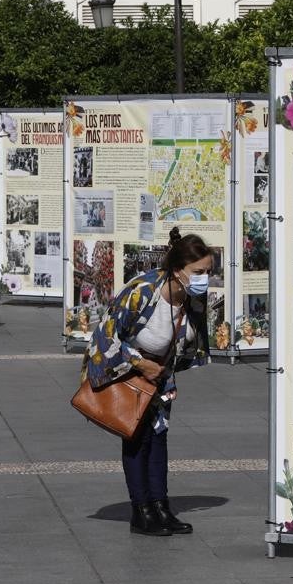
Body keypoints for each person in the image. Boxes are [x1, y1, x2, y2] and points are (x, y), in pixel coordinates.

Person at [82, 227, 212, 537]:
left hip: (160, 379)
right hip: (129, 373)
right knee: (136, 436)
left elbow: (189, 339)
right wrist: (139, 363)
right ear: (177, 269)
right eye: (198, 272)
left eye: (208, 272)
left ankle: (160, 506)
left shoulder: (193, 299)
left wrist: (167, 370)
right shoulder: (142, 291)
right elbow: (105, 336)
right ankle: (140, 510)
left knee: (159, 438)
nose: (204, 278)